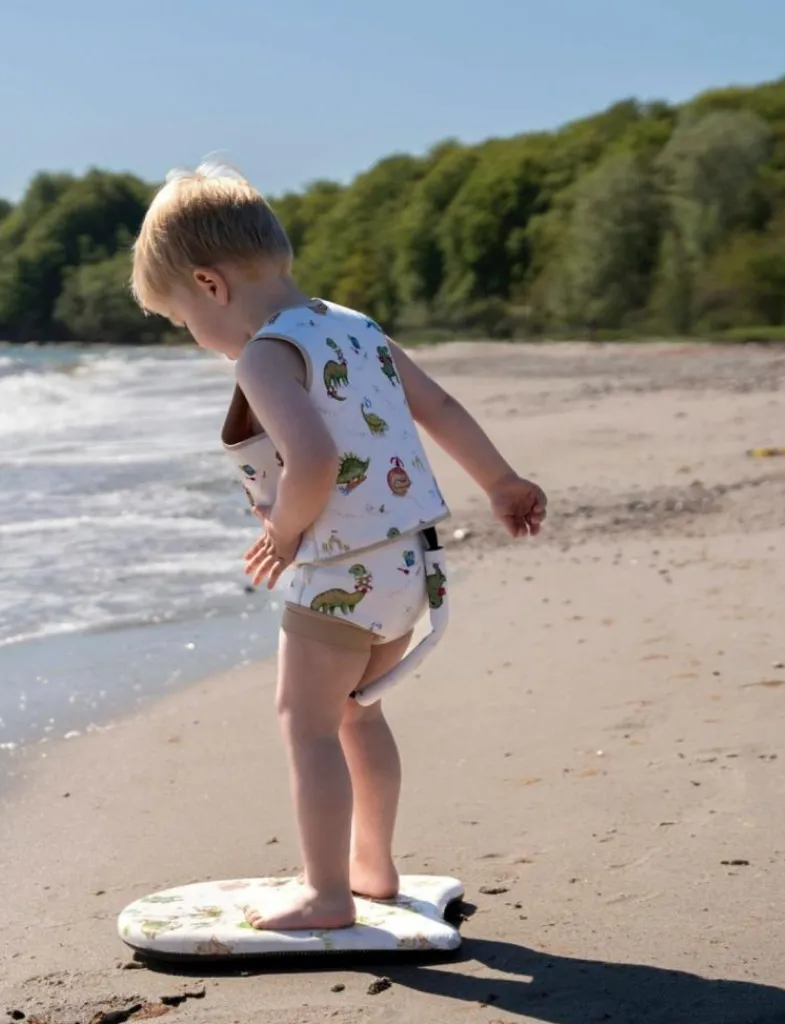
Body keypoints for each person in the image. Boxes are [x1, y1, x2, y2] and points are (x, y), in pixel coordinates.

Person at [130, 162, 547, 932]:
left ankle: (326, 892)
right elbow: (441, 407)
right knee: (358, 715)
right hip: (410, 564)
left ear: (210, 284)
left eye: (184, 320)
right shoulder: (356, 327)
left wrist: (284, 532)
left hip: (338, 569)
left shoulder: (264, 353)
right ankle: (373, 869)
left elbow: (315, 461)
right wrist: (499, 480)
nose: (199, 340)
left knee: (308, 722)